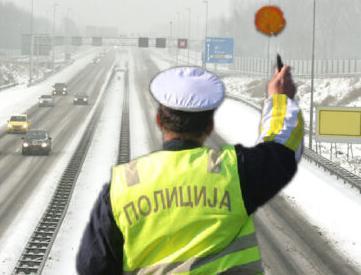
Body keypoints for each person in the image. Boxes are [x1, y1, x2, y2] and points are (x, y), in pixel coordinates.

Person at [76, 65, 303, 274]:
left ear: (159, 120)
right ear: (209, 126)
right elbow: (283, 149)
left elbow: (93, 266)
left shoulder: (122, 187)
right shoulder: (235, 172)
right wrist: (280, 99)